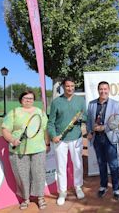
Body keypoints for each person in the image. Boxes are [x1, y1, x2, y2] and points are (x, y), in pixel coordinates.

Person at [1, 90, 49, 210]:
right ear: (21, 100)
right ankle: (26, 198)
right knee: (21, 175)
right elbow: (5, 130)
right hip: (18, 151)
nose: (28, 100)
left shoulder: (40, 112)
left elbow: (45, 129)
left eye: (31, 98)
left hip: (38, 149)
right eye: (26, 98)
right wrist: (12, 140)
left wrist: (47, 143)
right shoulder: (14, 112)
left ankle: (40, 197)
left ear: (34, 100)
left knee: (39, 174)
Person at [47, 77, 87, 206]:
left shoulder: (80, 100)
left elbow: (85, 116)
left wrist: (79, 118)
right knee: (61, 167)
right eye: (68, 86)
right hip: (60, 140)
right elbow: (51, 122)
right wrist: (53, 135)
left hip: (76, 137)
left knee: (77, 164)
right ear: (63, 87)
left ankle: (78, 187)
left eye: (72, 86)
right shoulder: (56, 102)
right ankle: (62, 192)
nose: (70, 88)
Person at [86, 81, 119, 201]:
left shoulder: (115, 104)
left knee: (113, 165)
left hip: (110, 138)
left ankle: (116, 189)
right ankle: (103, 186)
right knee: (101, 164)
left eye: (105, 89)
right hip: (97, 139)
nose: (103, 91)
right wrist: (90, 131)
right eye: (101, 89)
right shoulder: (91, 104)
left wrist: (103, 127)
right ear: (98, 90)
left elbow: (117, 120)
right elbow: (89, 121)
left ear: (109, 90)